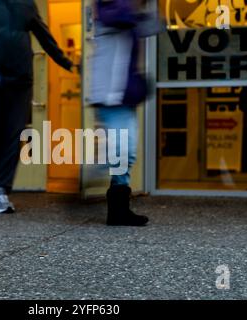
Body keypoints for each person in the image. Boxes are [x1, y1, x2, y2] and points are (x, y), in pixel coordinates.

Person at [0, 0, 74, 213]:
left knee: (12, 136)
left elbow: (43, 35)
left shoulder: (26, 4)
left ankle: (0, 190)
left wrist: (66, 62)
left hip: (20, 82)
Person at [89, 0, 162, 226]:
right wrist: (139, 12)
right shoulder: (109, 9)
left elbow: (155, 27)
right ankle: (95, 171)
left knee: (126, 152)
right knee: (124, 151)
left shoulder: (125, 13)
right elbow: (120, 16)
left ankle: (118, 210)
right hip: (110, 95)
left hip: (123, 96)